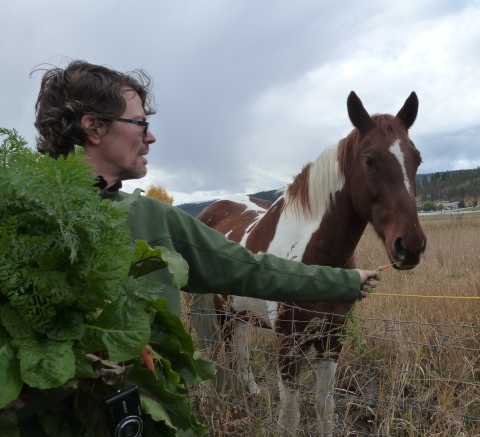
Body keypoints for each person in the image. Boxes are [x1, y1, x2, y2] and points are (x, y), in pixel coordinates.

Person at [33, 60, 379, 317]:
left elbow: (251, 269)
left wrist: (343, 282)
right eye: (140, 123)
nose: (150, 136)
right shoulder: (22, 217)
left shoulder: (155, 220)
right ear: (94, 128)